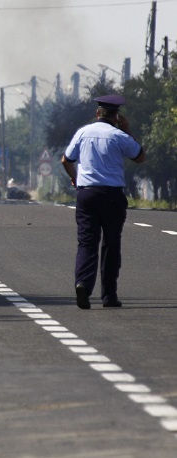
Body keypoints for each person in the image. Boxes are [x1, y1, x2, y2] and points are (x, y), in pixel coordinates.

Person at [61, 95, 145, 309]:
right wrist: (127, 130)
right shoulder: (119, 135)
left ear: (98, 113)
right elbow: (139, 156)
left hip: (87, 194)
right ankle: (109, 296)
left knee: (87, 243)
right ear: (117, 116)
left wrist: (75, 178)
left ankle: (82, 284)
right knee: (111, 244)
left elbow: (66, 159)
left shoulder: (83, 132)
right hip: (112, 196)